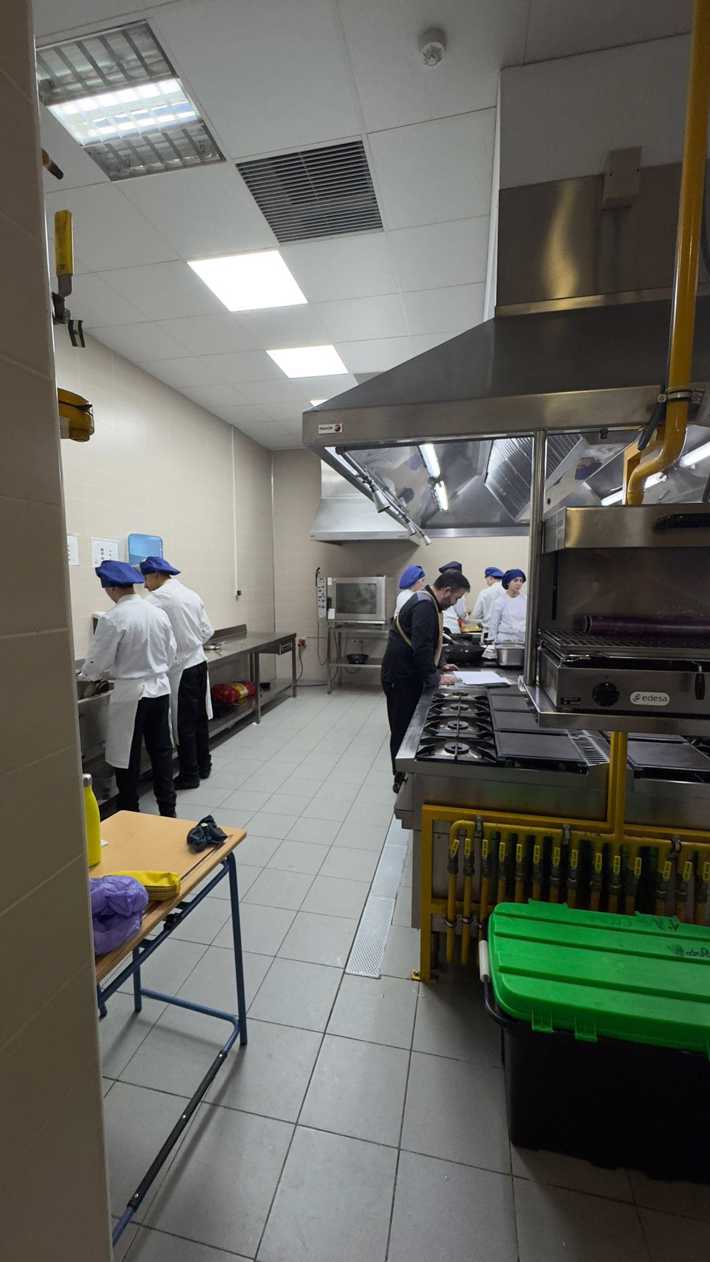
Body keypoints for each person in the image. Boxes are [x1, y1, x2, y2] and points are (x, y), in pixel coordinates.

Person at [80, 560, 177, 816]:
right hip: (160, 689)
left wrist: (87, 674)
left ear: (112, 588)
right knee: (161, 752)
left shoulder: (114, 618)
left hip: (131, 695)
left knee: (127, 757)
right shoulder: (157, 613)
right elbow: (171, 653)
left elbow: (97, 662)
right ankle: (168, 811)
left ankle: (129, 813)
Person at [382, 568, 471, 791]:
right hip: (400, 677)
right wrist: (435, 677)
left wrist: (440, 664)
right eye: (457, 597)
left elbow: (431, 640)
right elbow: (421, 647)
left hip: (409, 673)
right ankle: (400, 778)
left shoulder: (430, 603)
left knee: (410, 727)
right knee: (402, 729)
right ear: (447, 590)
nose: (455, 602)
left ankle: (409, 774)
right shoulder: (424, 605)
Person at [140, 555, 214, 790]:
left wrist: (176, 653)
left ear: (156, 575)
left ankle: (189, 774)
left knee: (183, 723)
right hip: (199, 663)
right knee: (200, 718)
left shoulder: (155, 600)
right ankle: (204, 765)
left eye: (145, 579)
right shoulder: (191, 594)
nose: (144, 585)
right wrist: (192, 645)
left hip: (181, 669)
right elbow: (208, 631)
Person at [487, 568, 527, 645]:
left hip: (522, 640)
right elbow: (494, 624)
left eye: (521, 581)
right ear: (508, 582)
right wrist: (492, 641)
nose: (519, 583)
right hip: (504, 640)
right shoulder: (499, 601)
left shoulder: (526, 600)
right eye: (515, 580)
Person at [438, 560, 469, 635]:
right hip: (452, 628)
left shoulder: (439, 588)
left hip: (439, 626)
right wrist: (467, 618)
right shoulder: (458, 590)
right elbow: (461, 613)